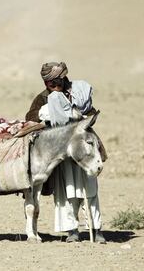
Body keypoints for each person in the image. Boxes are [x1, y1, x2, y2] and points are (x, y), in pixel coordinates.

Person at [25, 62, 107, 243]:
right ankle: (72, 231)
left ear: (63, 78)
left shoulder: (78, 93)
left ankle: (96, 229)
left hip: (83, 149)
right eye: (49, 84)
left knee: (90, 187)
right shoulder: (43, 97)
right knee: (66, 190)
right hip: (62, 151)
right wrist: (47, 115)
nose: (53, 87)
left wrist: (78, 116)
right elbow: (30, 117)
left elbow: (91, 113)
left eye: (56, 82)